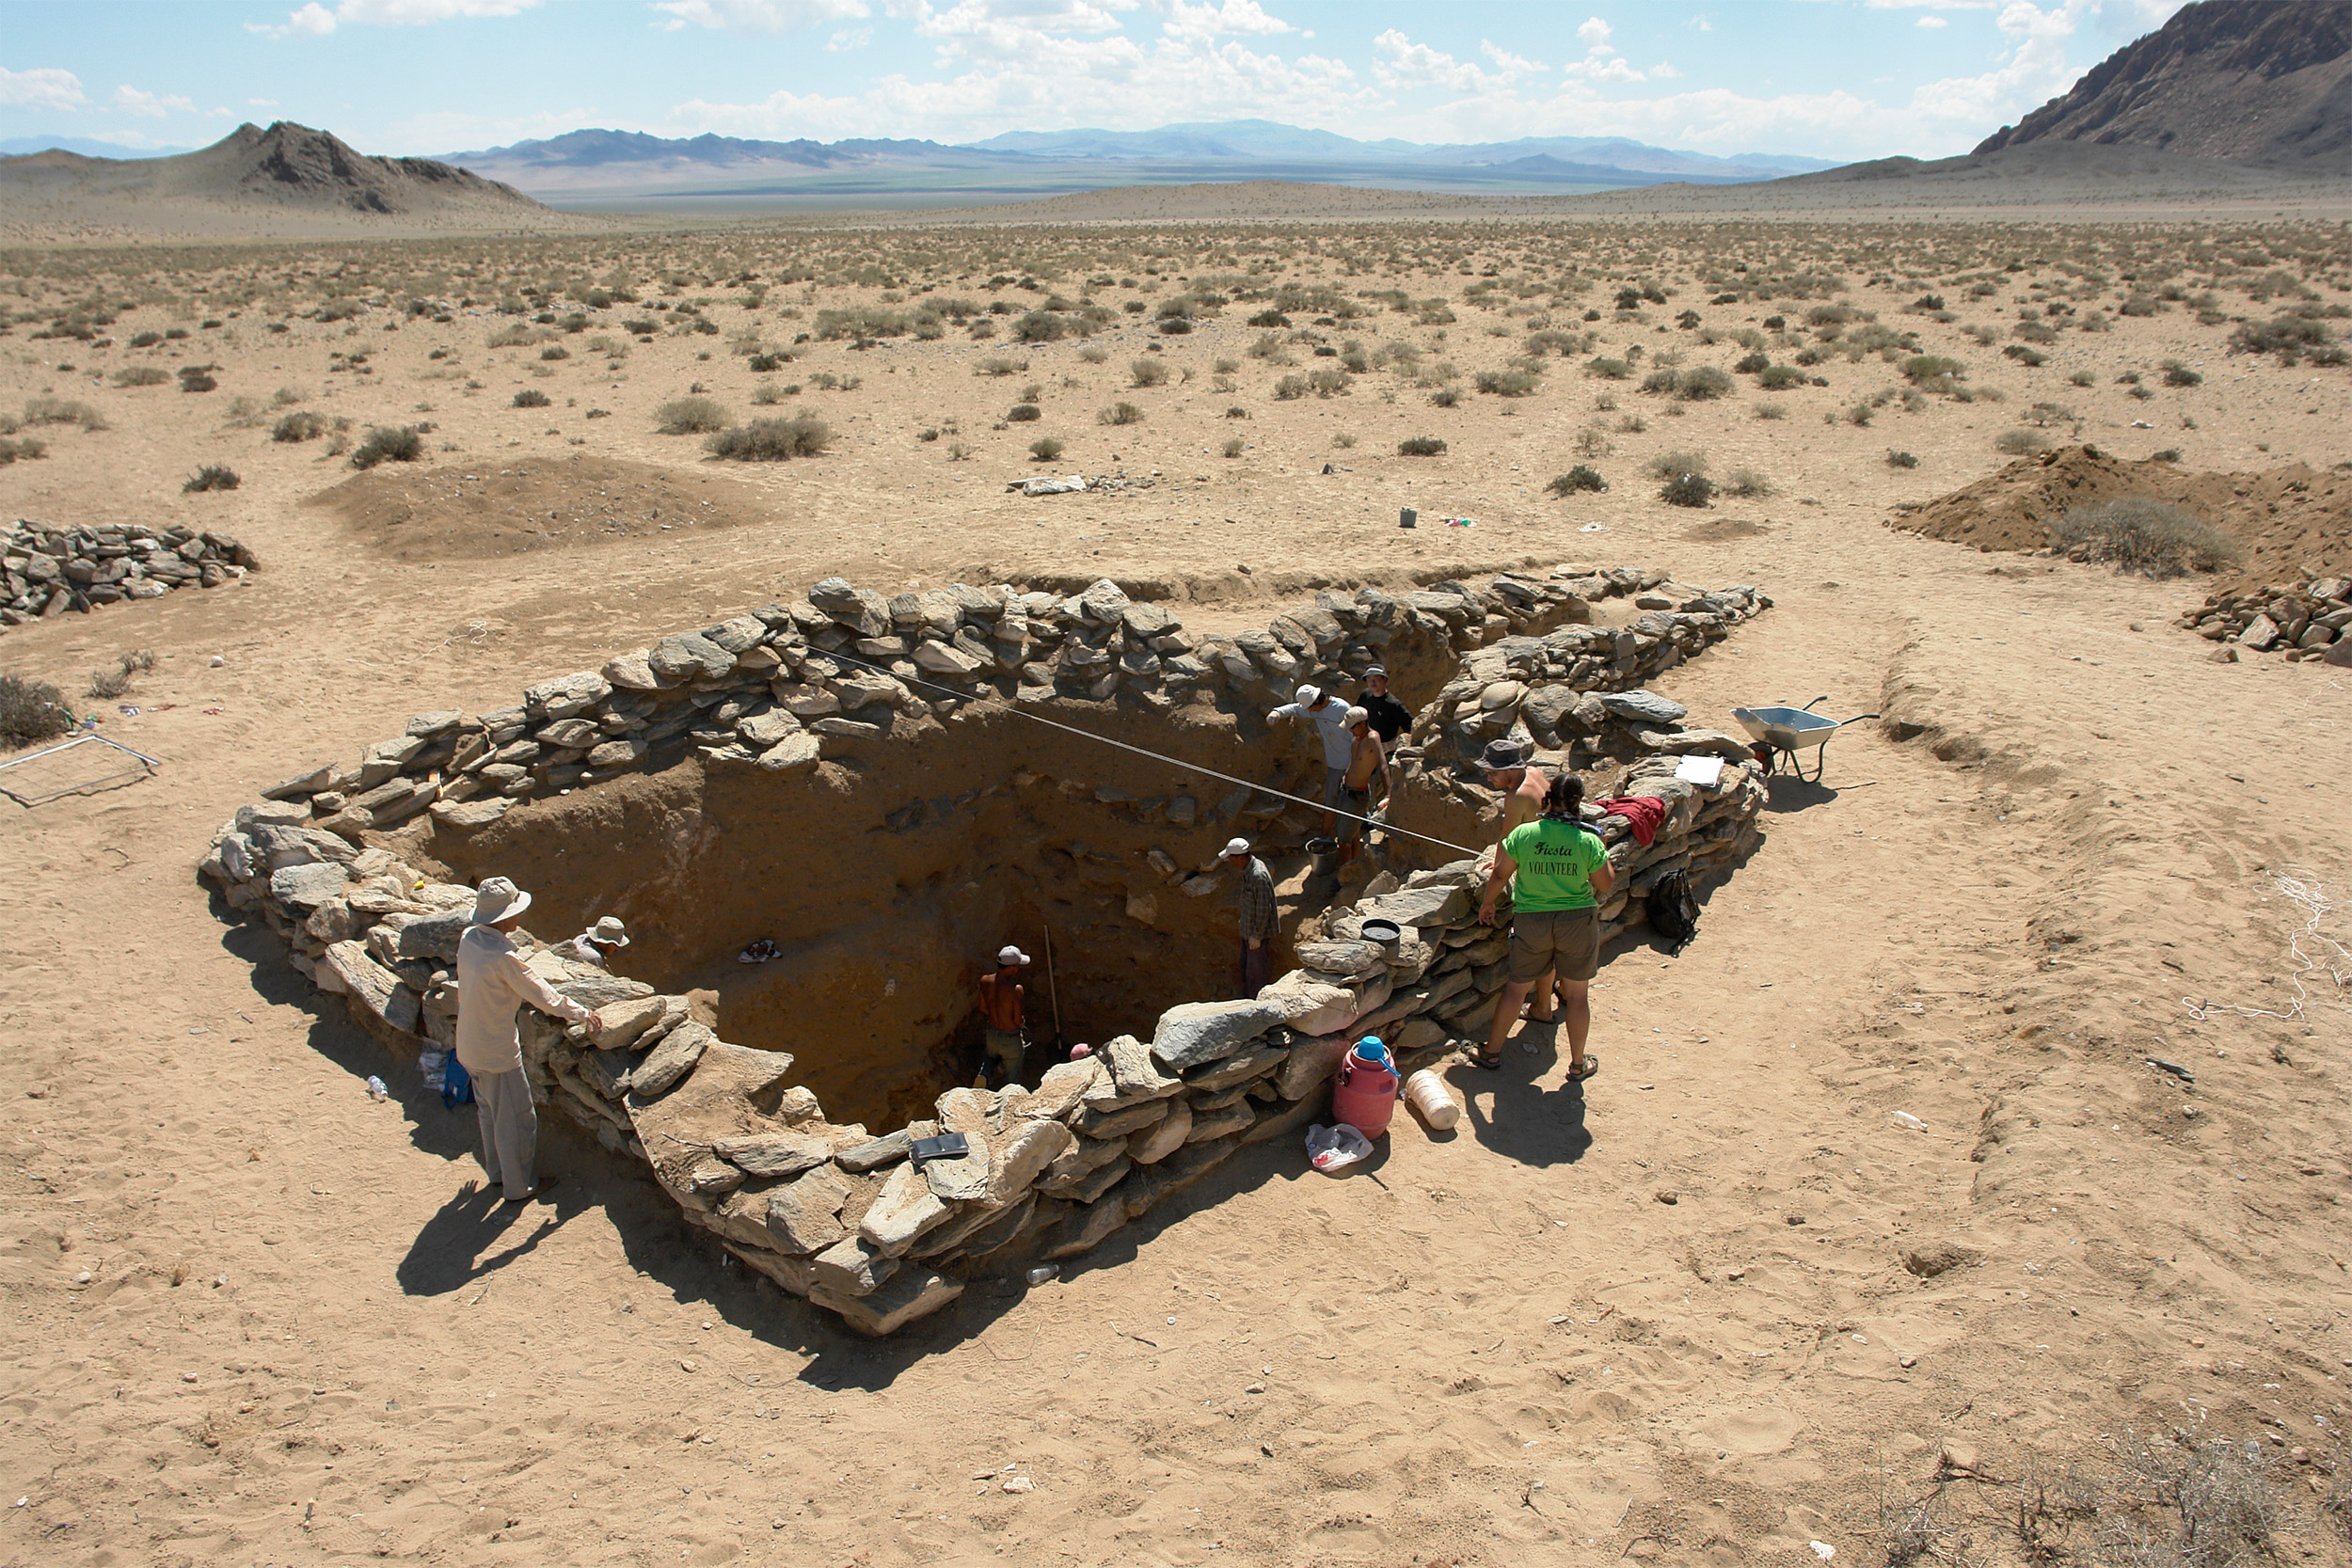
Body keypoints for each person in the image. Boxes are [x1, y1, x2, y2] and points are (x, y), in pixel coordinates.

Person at [456, 877, 606, 1205]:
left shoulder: (469, 939)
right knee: (517, 1119)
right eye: (515, 912)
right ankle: (518, 1186)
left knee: (489, 1111)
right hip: (496, 1052)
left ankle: (497, 1173)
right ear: (504, 918)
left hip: (467, 1044)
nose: (519, 918)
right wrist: (581, 1013)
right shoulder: (503, 958)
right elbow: (544, 995)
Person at [1473, 775, 1615, 1083]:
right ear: (1578, 802)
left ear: (1547, 800)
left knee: (1515, 988)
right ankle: (1578, 1064)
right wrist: (1600, 852)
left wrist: (1488, 904)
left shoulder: (1525, 834)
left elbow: (1499, 874)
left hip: (1532, 919)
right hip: (1577, 921)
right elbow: (1605, 883)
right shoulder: (1588, 840)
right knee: (1577, 996)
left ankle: (1491, 1051)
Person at [1477, 737, 1569, 1020]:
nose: (1488, 776)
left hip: (1541, 874)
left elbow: (1508, 837)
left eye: (1493, 772)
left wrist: (1497, 868)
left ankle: (1542, 1006)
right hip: (1563, 862)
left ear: (1511, 770)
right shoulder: (1536, 774)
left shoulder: (1516, 795)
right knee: (1558, 941)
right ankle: (1556, 994)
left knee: (1540, 947)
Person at [1266, 684, 1354, 834]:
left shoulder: (1341, 708)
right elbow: (1295, 709)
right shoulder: (1316, 710)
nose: (1309, 712)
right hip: (1335, 764)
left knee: (1353, 800)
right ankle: (1328, 835)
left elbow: (1357, 737)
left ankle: (1356, 829)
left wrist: (1354, 767)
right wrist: (1277, 712)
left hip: (1352, 764)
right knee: (1331, 800)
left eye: (1310, 707)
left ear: (1317, 702)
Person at [1336, 705, 1391, 869]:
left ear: (1361, 724)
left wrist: (1388, 793)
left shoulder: (1372, 738)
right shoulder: (1357, 739)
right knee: (1352, 835)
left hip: (1357, 796)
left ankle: (1344, 876)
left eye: (1352, 727)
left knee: (1343, 841)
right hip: (1346, 791)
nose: (1351, 731)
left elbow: (1383, 765)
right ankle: (1352, 867)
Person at [1225, 836, 1277, 995]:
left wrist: (1257, 935)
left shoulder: (1258, 876)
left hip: (1256, 936)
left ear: (1241, 857)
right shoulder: (1249, 869)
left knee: (1257, 976)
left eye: (1232, 858)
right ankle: (1247, 998)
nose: (1231, 862)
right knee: (1246, 968)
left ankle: (1258, 1007)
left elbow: (1263, 908)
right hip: (1248, 931)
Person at [976, 946, 1031, 1087]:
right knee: (1013, 1075)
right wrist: (1022, 1023)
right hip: (1010, 1038)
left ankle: (985, 1075)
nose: (1018, 968)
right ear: (1011, 967)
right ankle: (1008, 1097)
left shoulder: (985, 981)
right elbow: (1016, 1019)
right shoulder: (1015, 989)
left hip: (992, 1033)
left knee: (990, 1057)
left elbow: (983, 1008)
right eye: (1017, 965)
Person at [1357, 666, 1411, 747]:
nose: (1372, 682)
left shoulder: (1393, 704)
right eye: (1369, 678)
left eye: (1376, 678)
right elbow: (1357, 717)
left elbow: (1410, 728)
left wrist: (1392, 745)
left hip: (1384, 749)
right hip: (1366, 745)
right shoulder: (1365, 695)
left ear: (1384, 680)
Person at [557, 915, 630, 970]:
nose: (617, 948)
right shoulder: (594, 958)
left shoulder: (582, 938)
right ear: (604, 943)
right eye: (615, 945)